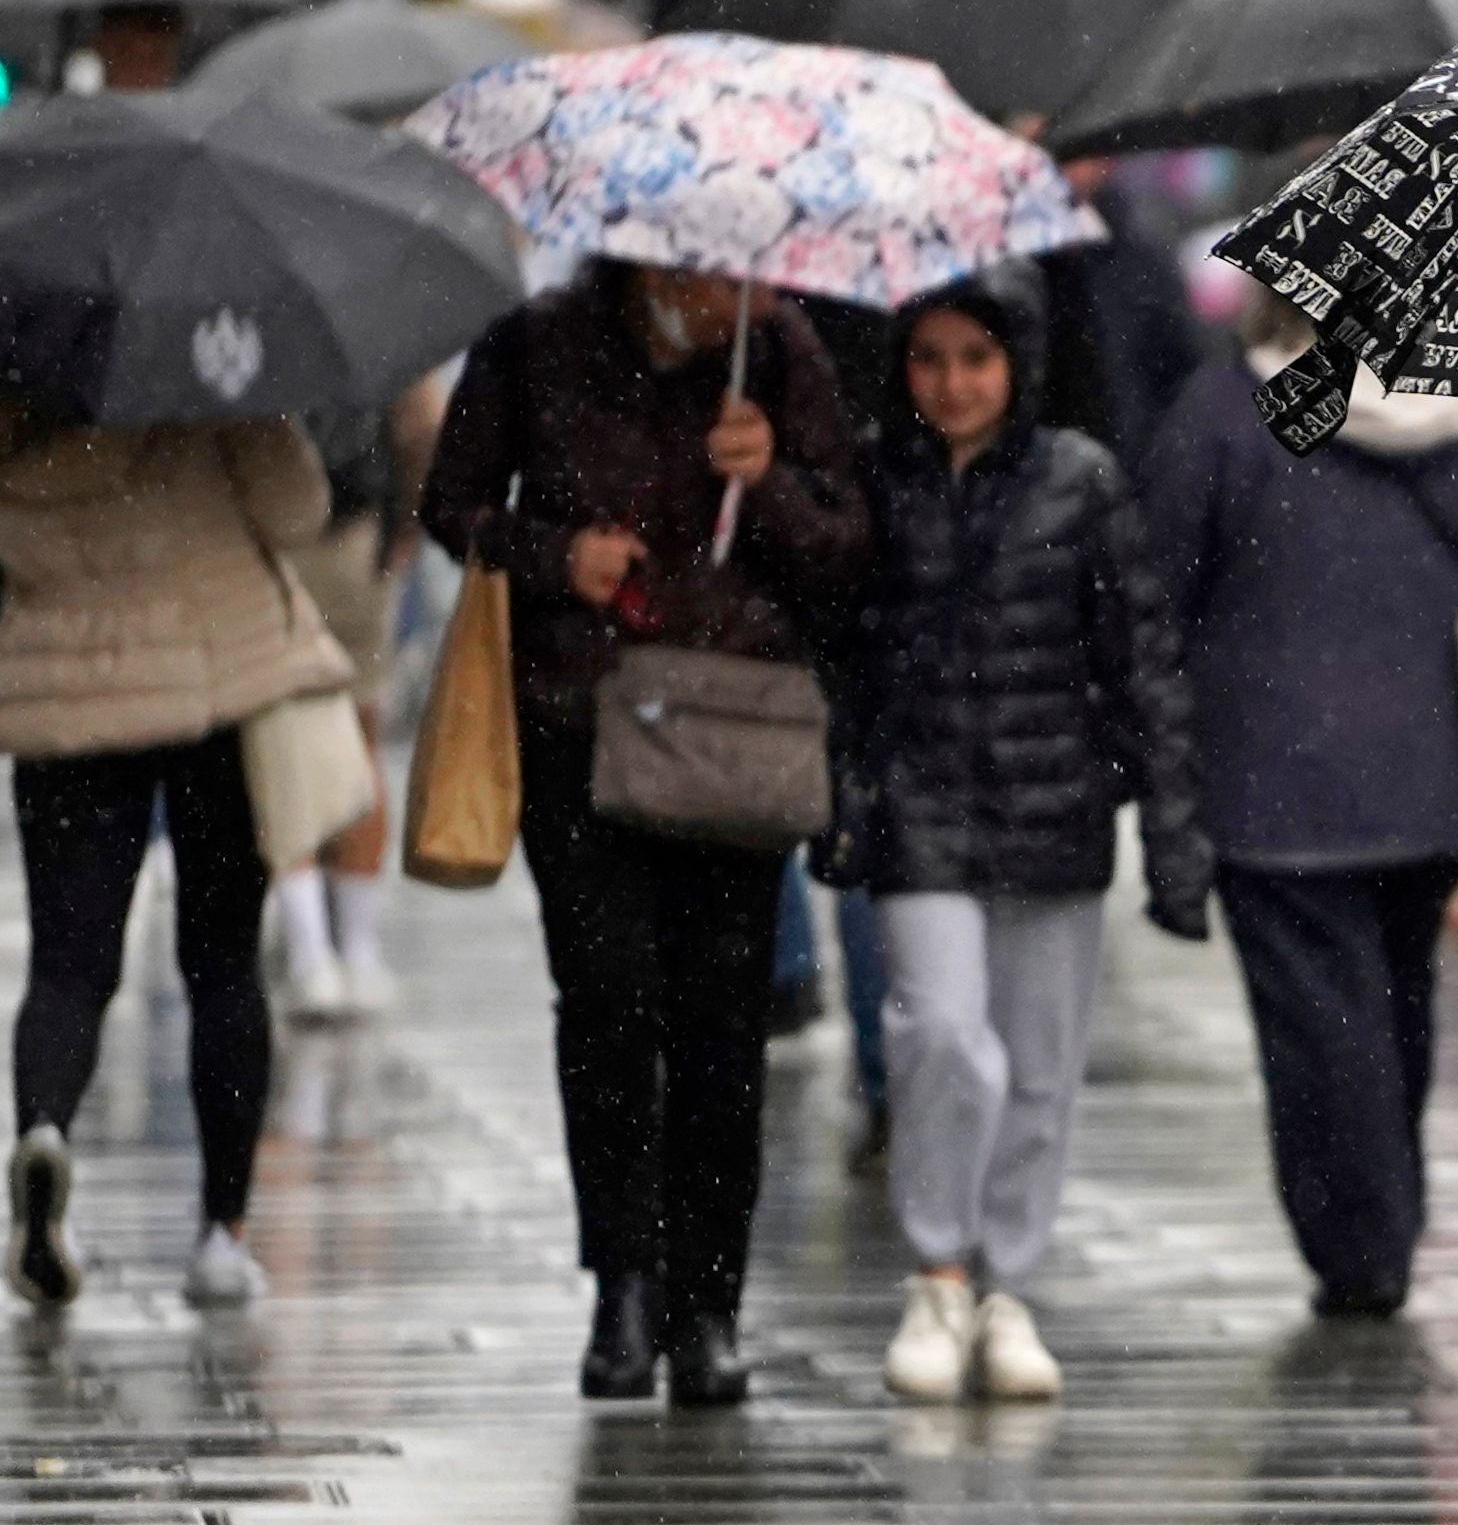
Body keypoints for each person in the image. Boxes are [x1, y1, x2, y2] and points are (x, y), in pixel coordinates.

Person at [419, 261, 865, 1407]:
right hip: (582, 721)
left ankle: (708, 1302)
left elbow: (843, 542)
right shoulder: (538, 339)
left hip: (732, 725)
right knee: (610, 1002)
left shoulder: (782, 351)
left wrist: (764, 480)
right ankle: (622, 1282)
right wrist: (554, 554)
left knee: (723, 1015)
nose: (731, 285)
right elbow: (451, 502)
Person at [1150, 286, 1458, 1319]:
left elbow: (1160, 575)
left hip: (1269, 778)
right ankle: (1384, 1218)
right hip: (1431, 775)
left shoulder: (1227, 409)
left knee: (1318, 1031)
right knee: (1396, 1006)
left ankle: (1362, 1242)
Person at [831, 263, 1208, 1404]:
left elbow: (1141, 658)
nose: (951, 384)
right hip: (922, 802)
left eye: (976, 359)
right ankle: (940, 1267)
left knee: (1041, 1065)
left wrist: (1177, 837)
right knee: (943, 1033)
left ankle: (1007, 1283)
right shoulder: (874, 482)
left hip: (1056, 804)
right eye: (930, 359)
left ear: (1019, 365)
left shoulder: (1080, 481)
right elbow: (838, 643)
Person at [0, 403, 349, 1311]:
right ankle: (221, 1237)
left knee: (69, 968)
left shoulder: (21, 351)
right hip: (215, 685)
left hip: (62, 692)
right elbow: (295, 508)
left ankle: (45, 1131)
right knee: (224, 961)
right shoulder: (212, 359)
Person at [275, 380, 444, 1023]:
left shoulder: (236, 294)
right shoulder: (374, 299)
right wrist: (405, 527)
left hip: (272, 549)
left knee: (279, 748)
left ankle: (309, 954)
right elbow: (423, 429)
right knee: (356, 736)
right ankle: (360, 948)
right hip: (356, 539)